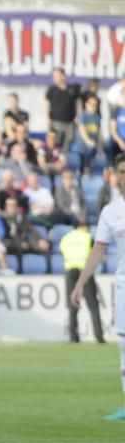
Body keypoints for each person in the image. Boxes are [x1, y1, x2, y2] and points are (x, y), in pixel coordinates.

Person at [71, 155, 125, 419]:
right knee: (124, 346)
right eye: (122, 172)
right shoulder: (110, 211)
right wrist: (80, 283)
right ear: (116, 176)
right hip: (123, 285)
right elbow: (98, 250)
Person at [60, 221, 104, 344]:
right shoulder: (87, 237)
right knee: (93, 305)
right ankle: (99, 336)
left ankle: (73, 337)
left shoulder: (65, 238)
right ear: (84, 227)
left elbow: (63, 252)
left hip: (70, 271)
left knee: (73, 305)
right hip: (85, 271)